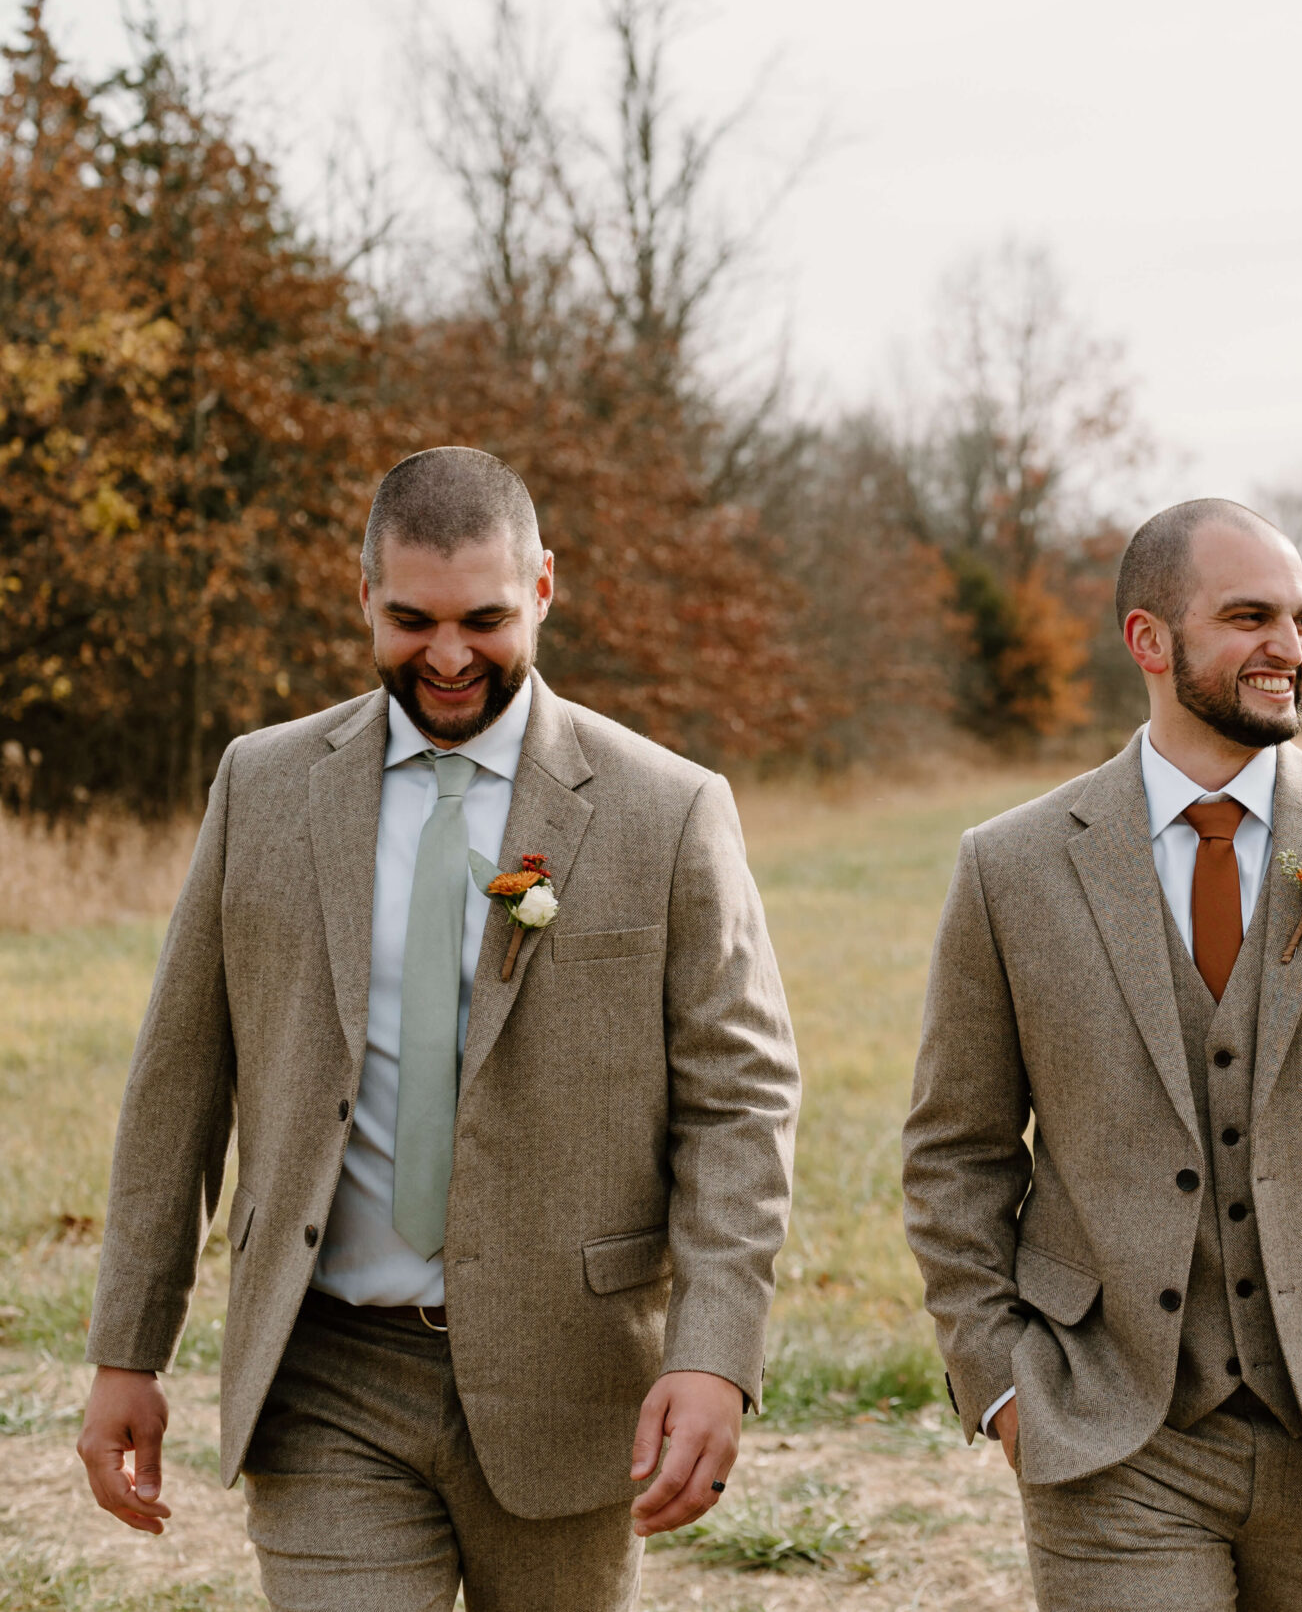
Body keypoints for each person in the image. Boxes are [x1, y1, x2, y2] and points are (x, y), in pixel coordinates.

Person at [76, 447, 802, 1610]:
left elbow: (740, 1102)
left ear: (545, 589)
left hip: (571, 1382)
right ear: (362, 595)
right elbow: (178, 1082)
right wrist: (129, 1345)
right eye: (412, 619)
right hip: (326, 1375)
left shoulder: (669, 810)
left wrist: (713, 1350)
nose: (451, 656)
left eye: (486, 619)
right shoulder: (258, 785)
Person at [903, 498, 1302, 1610]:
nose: (1288, 646)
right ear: (1150, 640)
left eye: (1301, 616)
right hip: (1106, 1426)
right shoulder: (1012, 867)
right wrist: (1002, 1382)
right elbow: (956, 1150)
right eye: (1248, 616)